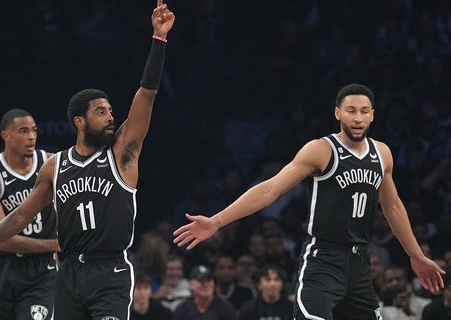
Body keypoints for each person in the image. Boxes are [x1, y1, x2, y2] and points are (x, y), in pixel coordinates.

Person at [0, 2, 175, 319]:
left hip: (109, 270)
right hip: (68, 272)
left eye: (111, 111)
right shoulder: (55, 165)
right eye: (101, 112)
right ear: (79, 122)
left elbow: (147, 93)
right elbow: (19, 217)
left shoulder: (122, 153)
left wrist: (159, 39)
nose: (111, 117)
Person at [173, 83, 446, 319]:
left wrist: (416, 255)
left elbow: (393, 205)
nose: (358, 118)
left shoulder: (382, 153)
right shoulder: (321, 150)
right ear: (338, 113)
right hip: (323, 259)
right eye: (351, 110)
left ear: (373, 115)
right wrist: (217, 221)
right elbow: (270, 190)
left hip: (360, 262)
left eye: (364, 111)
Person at [0, 109, 59, 320]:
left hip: (42, 271)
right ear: (6, 136)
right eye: (23, 131)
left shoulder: (51, 164)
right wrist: (57, 244)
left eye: (34, 130)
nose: (31, 136)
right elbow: (2, 241)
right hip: (5, 269)